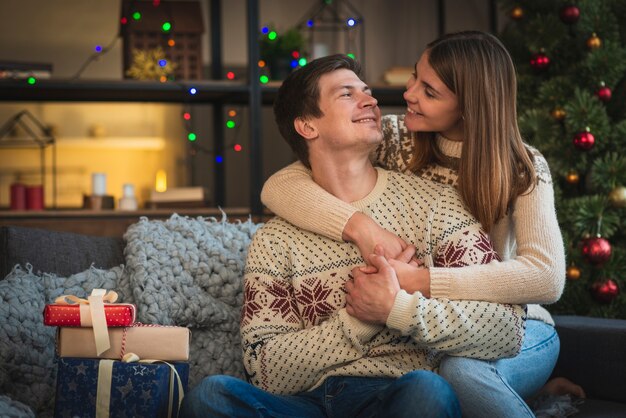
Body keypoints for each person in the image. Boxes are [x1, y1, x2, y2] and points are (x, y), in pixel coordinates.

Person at [180, 54, 527, 418]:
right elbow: (266, 372)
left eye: (368, 92)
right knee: (210, 397)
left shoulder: (436, 205)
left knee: (428, 391)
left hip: (398, 396)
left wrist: (398, 310)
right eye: (347, 94)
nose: (371, 101)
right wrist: (358, 321)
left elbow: (505, 330)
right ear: (307, 126)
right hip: (305, 405)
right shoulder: (274, 240)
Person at [260, 31, 584, 417]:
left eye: (429, 92)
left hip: (520, 326)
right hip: (435, 324)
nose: (409, 94)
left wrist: (419, 281)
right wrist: (363, 228)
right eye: (415, 77)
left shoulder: (520, 168)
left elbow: (546, 277)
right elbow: (282, 184)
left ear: (469, 106)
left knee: (459, 372)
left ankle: (512, 387)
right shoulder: (399, 137)